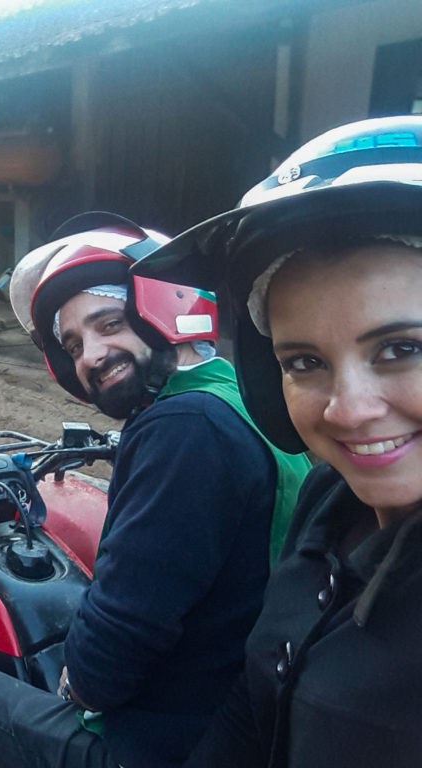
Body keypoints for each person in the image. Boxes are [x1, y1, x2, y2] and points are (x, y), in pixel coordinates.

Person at [0, 212, 311, 768]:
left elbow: (117, 642)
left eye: (109, 325)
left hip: (166, 744)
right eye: (75, 344)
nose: (92, 356)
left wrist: (72, 690)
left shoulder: (182, 428)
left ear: (164, 311)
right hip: (243, 713)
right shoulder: (240, 394)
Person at [132, 115, 422, 766]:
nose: (348, 411)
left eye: (401, 349)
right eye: (303, 362)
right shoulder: (330, 498)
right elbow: (252, 705)